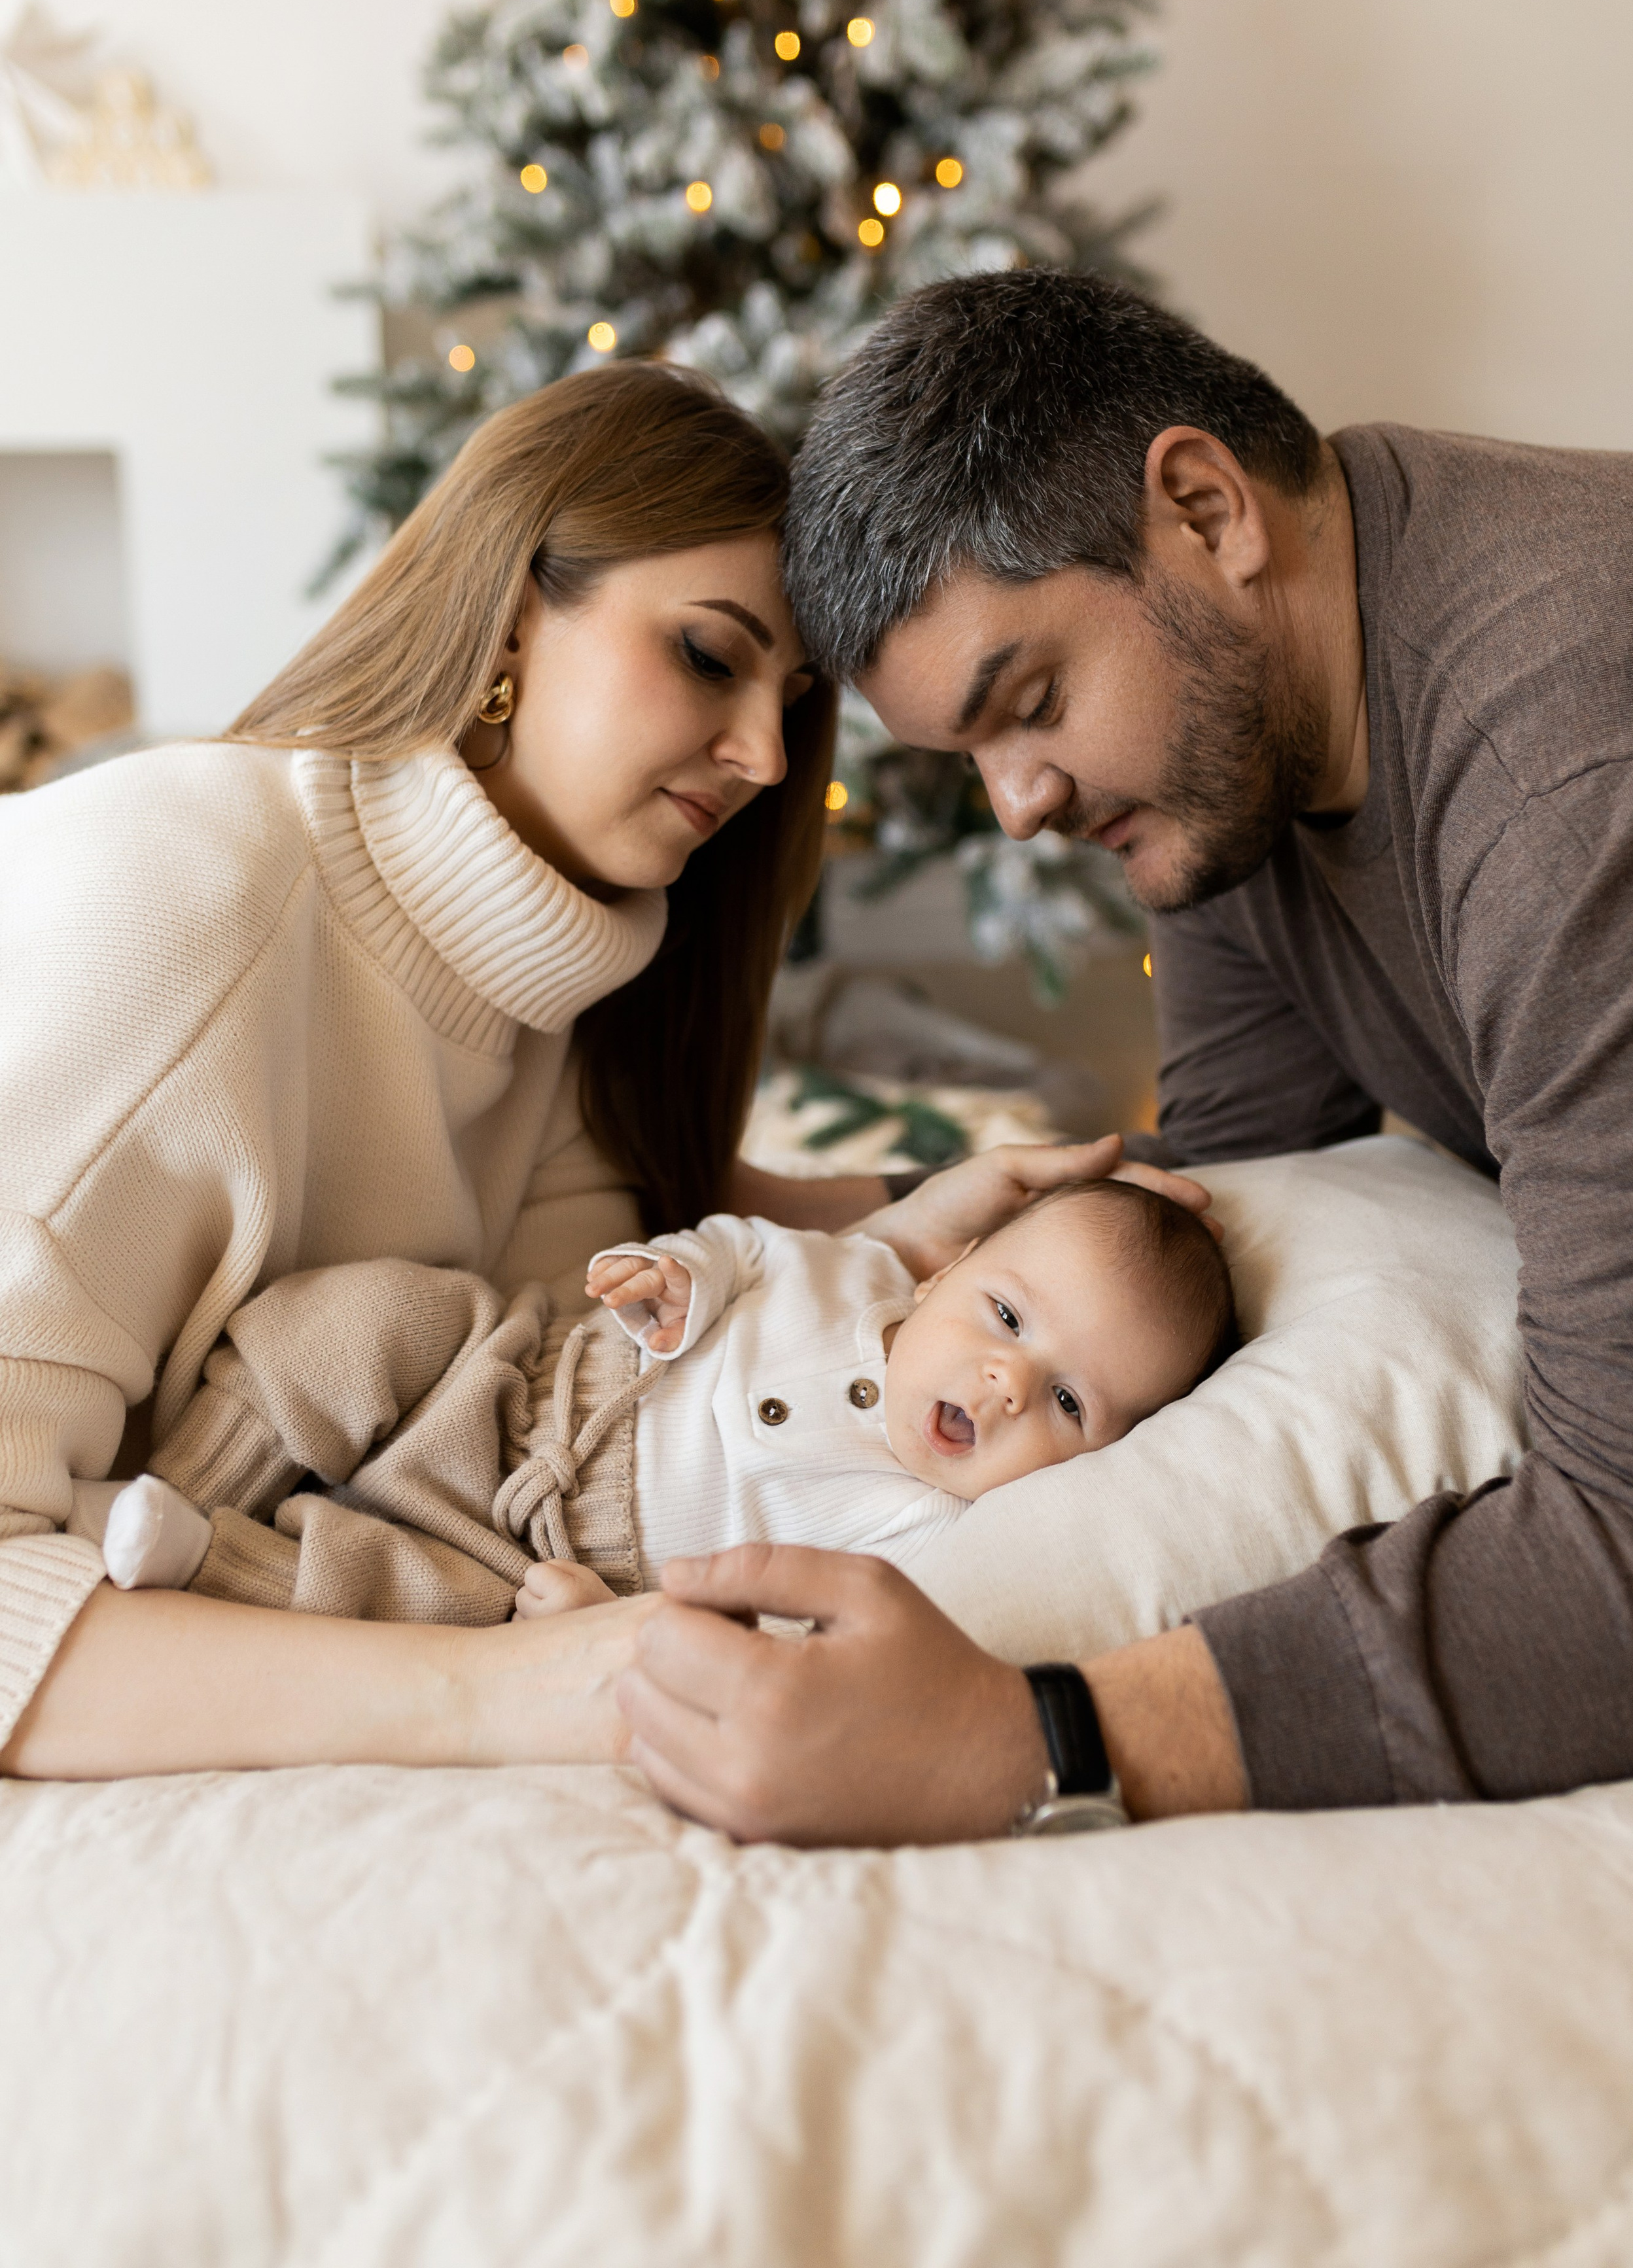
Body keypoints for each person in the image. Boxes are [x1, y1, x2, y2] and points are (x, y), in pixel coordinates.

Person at [0, 355, 1208, 1783]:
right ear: (512, 611)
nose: (765, 757)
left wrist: (916, 1221)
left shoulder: (551, 964)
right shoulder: (183, 912)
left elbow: (587, 1336)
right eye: (707, 653)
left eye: (792, 694)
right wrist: (495, 1690)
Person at [613, 266, 1633, 1846]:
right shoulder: (1239, 737)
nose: (1019, 807)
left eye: (1027, 702)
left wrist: (1030, 1736)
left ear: (1200, 507)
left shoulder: (1565, 778)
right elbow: (1234, 1179)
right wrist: (850, 1238)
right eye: (971, 758)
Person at [89, 1177, 1235, 1619]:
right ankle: (187, 1479)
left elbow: (786, 1622)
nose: (1006, 1383)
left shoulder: (930, 1529)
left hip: (548, 1573)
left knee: (407, 1606)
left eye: (1072, 1406)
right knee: (365, 1319)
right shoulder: (854, 1271)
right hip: (516, 1385)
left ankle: (204, 1564)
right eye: (1006, 1317)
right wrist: (676, 1277)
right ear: (950, 1268)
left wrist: (607, 1625)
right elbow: (739, 1246)